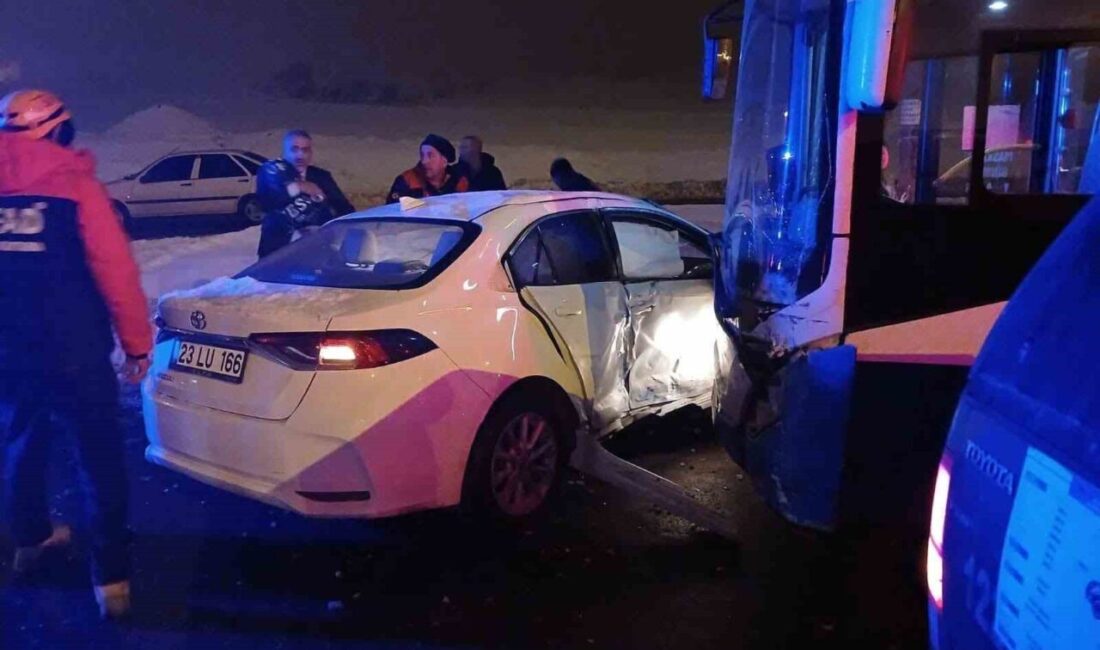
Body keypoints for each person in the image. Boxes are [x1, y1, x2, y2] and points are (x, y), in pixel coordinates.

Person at [0, 90, 153, 619]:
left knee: (20, 444)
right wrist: (137, 345)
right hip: (75, 353)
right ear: (54, 130)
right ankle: (111, 578)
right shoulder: (77, 187)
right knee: (99, 459)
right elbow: (117, 274)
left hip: (9, 356)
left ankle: (29, 540)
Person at [256, 129, 355, 258]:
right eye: (294, 149)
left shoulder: (321, 176)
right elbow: (271, 199)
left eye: (305, 150)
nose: (300, 155)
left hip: (317, 252)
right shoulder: (271, 172)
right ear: (284, 151)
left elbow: (344, 208)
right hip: (277, 254)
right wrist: (299, 187)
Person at [387, 134, 470, 203]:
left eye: (430, 156)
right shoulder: (407, 180)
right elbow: (392, 212)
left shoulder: (460, 181)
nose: (424, 161)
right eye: (422, 155)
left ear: (444, 161)